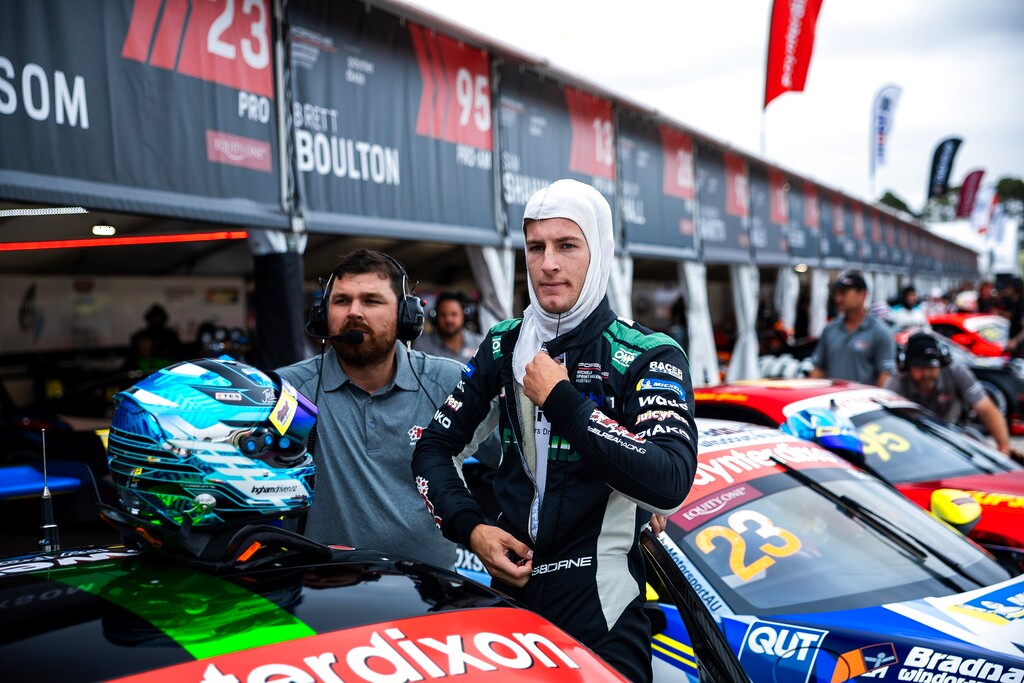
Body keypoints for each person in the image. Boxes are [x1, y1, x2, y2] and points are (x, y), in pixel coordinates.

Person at [412, 179, 699, 683]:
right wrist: (472, 530)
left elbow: (670, 481)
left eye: (567, 245)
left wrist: (562, 400)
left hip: (601, 607)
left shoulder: (646, 352)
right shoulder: (504, 345)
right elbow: (432, 449)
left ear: (599, 251)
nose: (548, 264)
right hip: (510, 597)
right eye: (535, 247)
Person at [276, 249, 490, 569]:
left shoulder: (447, 381)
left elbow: (518, 458)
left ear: (406, 316)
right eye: (341, 301)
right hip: (325, 595)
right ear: (322, 313)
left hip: (435, 593)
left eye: (371, 301)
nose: (354, 312)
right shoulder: (289, 392)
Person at [885, 332, 1016, 456]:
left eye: (931, 368)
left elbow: (986, 409)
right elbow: (886, 421)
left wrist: (1004, 448)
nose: (926, 374)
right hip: (913, 440)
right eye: (920, 368)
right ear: (905, 367)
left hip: (955, 435)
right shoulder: (897, 380)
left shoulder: (955, 371)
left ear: (943, 363)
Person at [809, 270, 896, 387]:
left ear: (862, 294)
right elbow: (818, 369)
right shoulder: (830, 329)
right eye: (837, 293)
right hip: (830, 401)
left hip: (863, 403)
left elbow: (884, 377)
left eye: (844, 293)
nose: (838, 299)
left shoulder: (880, 332)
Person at [413, 291, 483, 361]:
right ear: (435, 317)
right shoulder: (422, 346)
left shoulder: (479, 343)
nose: (449, 320)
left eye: (454, 314)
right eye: (443, 315)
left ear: (465, 316)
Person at [125, 303, 182, 371]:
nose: (156, 320)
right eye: (154, 317)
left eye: (158, 317)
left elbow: (179, 357)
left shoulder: (171, 336)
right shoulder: (140, 336)